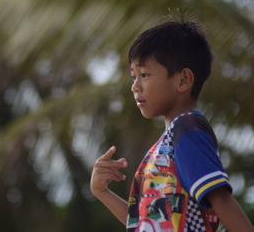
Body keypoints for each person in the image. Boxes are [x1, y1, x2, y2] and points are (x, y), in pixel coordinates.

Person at [90, 21, 254, 231]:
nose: (135, 86)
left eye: (145, 75)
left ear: (183, 80)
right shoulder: (170, 141)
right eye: (133, 76)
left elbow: (221, 200)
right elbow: (145, 223)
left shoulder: (187, 129)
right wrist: (102, 192)